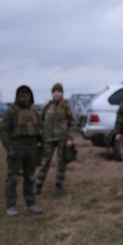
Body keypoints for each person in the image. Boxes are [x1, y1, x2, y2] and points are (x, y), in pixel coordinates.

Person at [0, 86, 44, 216]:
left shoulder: (35, 112)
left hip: (31, 146)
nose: (24, 97)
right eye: (21, 94)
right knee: (13, 178)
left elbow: (40, 128)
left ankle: (31, 203)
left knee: (30, 177)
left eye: (27, 94)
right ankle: (11, 205)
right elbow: (3, 130)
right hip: (16, 146)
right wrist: (9, 148)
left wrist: (41, 145)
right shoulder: (11, 111)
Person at [35, 83, 75, 195]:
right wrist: (40, 135)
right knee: (44, 162)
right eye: (54, 91)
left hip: (62, 138)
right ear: (52, 93)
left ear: (62, 93)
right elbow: (41, 122)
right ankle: (38, 185)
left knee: (61, 162)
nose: (56, 93)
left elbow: (72, 122)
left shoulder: (66, 106)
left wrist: (70, 138)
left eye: (58, 91)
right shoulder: (47, 106)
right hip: (48, 138)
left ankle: (58, 185)